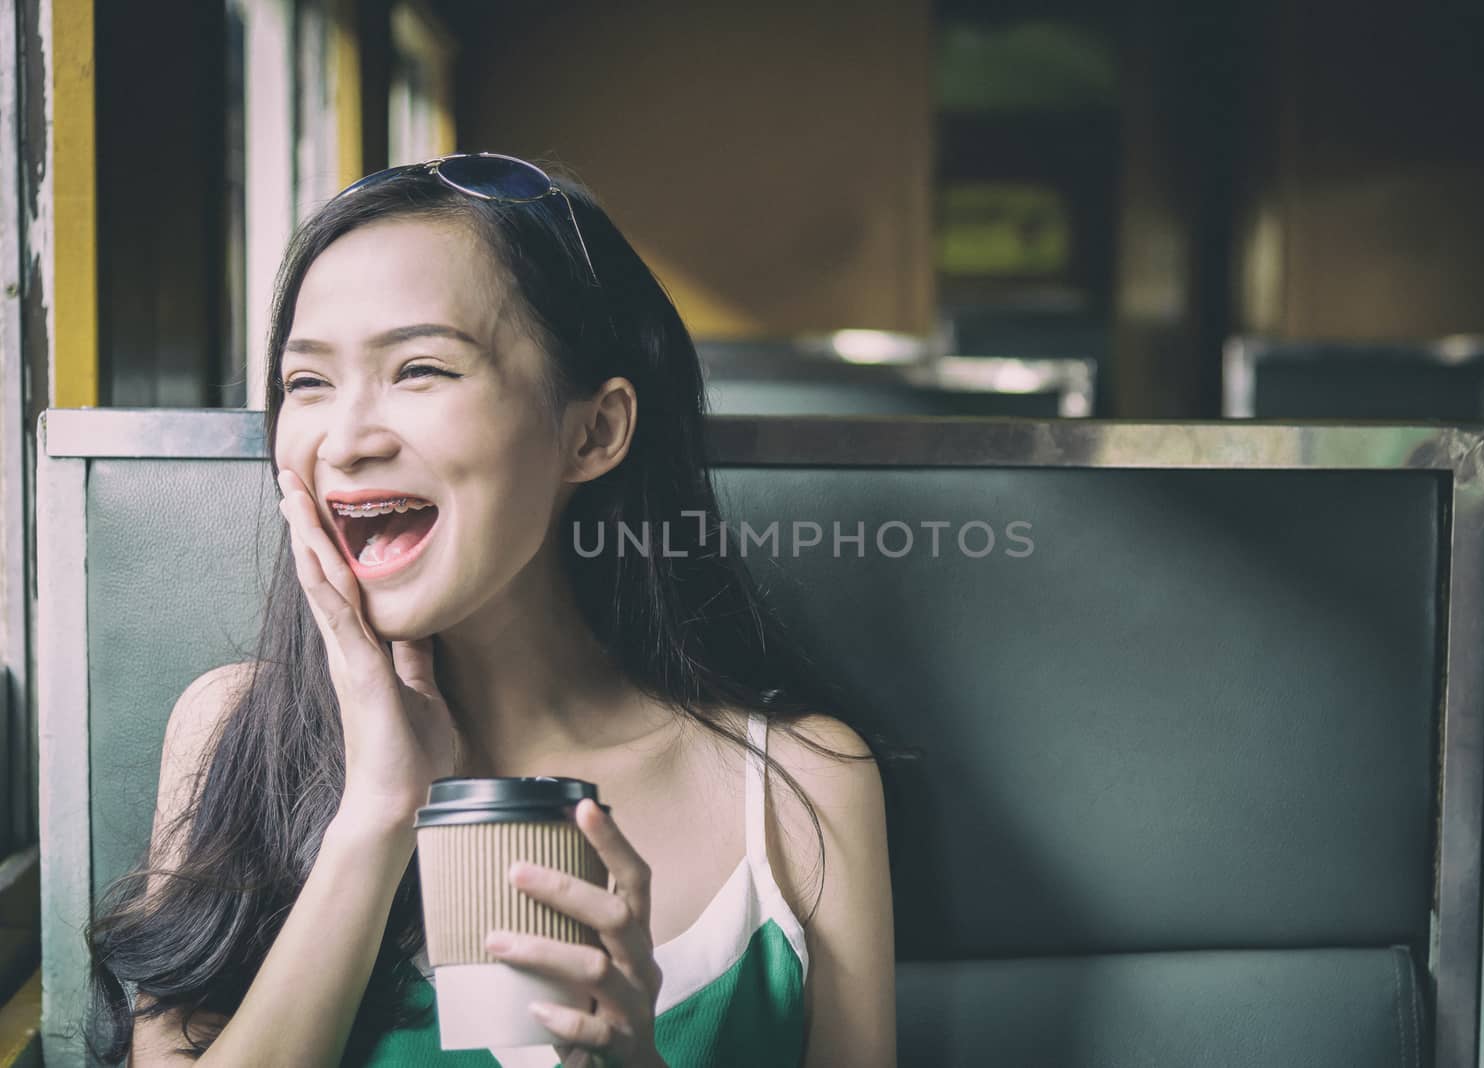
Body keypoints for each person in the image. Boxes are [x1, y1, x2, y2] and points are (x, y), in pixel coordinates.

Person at [85, 153, 900, 1067]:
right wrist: (379, 808)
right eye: (307, 383)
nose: (346, 442)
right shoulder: (228, 729)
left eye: (421, 369)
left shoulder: (805, 786)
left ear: (592, 432)